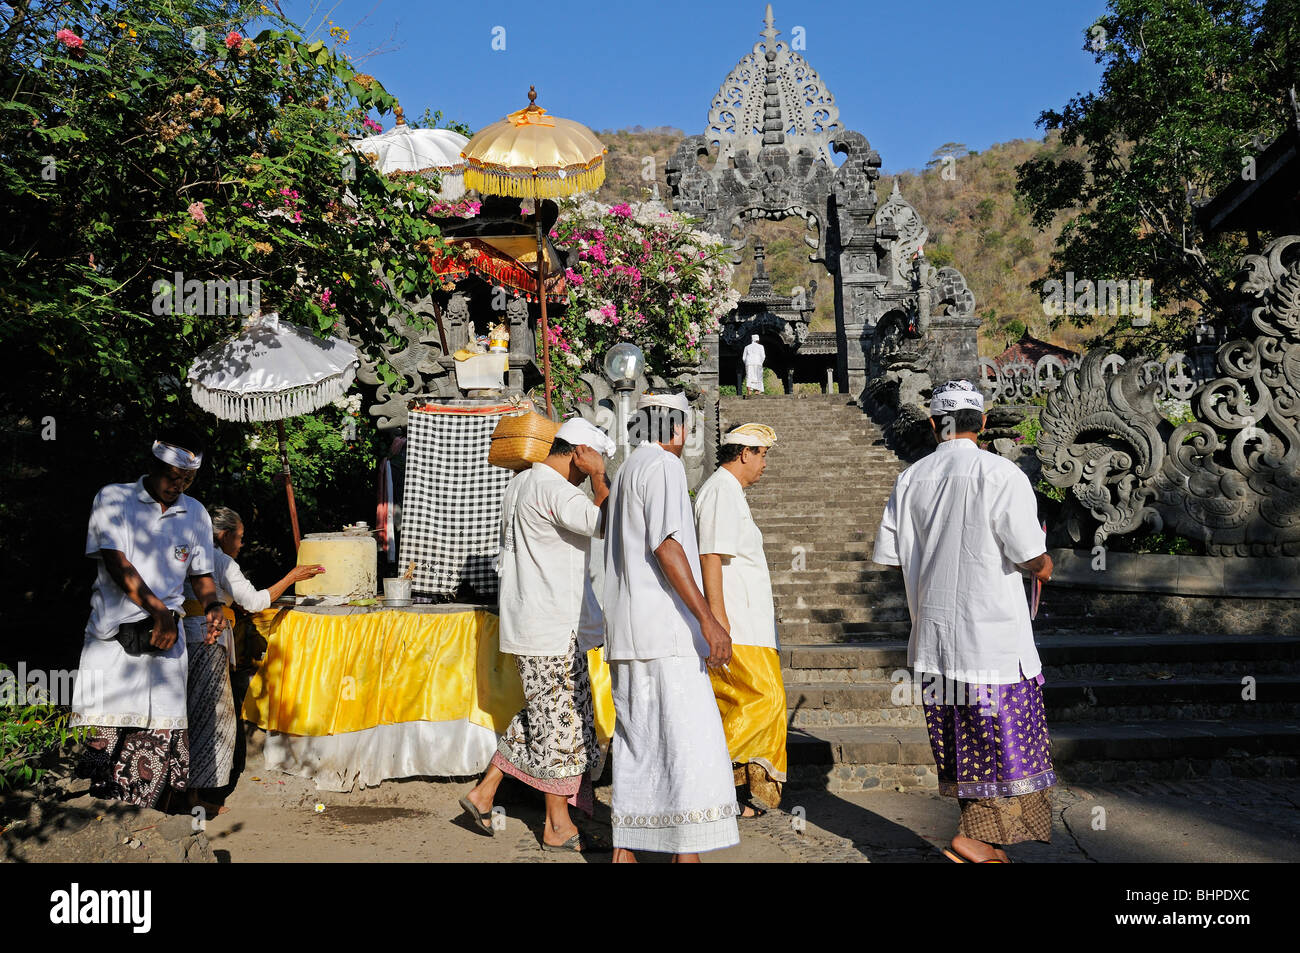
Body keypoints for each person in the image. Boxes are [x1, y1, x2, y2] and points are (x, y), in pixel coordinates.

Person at [872, 380, 1056, 863]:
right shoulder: (1001, 475)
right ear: (984, 424)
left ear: (935, 426)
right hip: (991, 642)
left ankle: (976, 837)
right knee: (1006, 746)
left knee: (962, 742)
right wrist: (1045, 567)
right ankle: (974, 838)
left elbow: (893, 557)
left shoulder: (911, 479)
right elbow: (1028, 554)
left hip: (933, 643)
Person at [459, 418, 615, 851]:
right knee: (561, 726)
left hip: (533, 624)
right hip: (552, 628)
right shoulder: (554, 488)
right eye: (585, 468)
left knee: (541, 718)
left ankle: (484, 791)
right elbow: (608, 522)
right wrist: (601, 477)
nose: (584, 479)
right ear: (579, 454)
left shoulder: (522, 483)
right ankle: (557, 824)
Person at [602, 390, 740, 863]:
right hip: (665, 633)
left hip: (629, 632)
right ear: (677, 428)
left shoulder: (625, 471)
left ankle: (626, 848)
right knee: (687, 740)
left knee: (639, 740)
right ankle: (688, 851)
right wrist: (708, 619)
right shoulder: (662, 467)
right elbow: (666, 545)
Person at [72, 428, 226, 809]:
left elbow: (201, 575)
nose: (179, 484)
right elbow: (116, 561)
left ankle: (144, 823)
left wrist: (213, 607)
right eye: (172, 475)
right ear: (153, 465)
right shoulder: (114, 498)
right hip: (112, 641)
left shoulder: (196, 513)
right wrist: (159, 611)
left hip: (165, 643)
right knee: (106, 728)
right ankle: (96, 819)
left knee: (160, 733)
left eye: (187, 478)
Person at [181, 506, 325, 814]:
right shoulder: (220, 561)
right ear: (224, 535)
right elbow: (256, 601)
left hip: (182, 638)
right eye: (241, 537)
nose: (242, 544)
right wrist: (292, 576)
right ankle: (195, 799)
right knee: (208, 718)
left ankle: (181, 795)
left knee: (186, 715)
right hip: (207, 639)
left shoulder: (187, 554)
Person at [695, 422, 786, 816]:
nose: (765, 464)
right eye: (762, 454)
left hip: (749, 625)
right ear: (744, 453)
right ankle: (704, 778)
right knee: (765, 700)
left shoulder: (728, 492)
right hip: (738, 626)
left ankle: (731, 793)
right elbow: (710, 555)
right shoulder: (719, 491)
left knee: (737, 705)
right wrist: (718, 618)